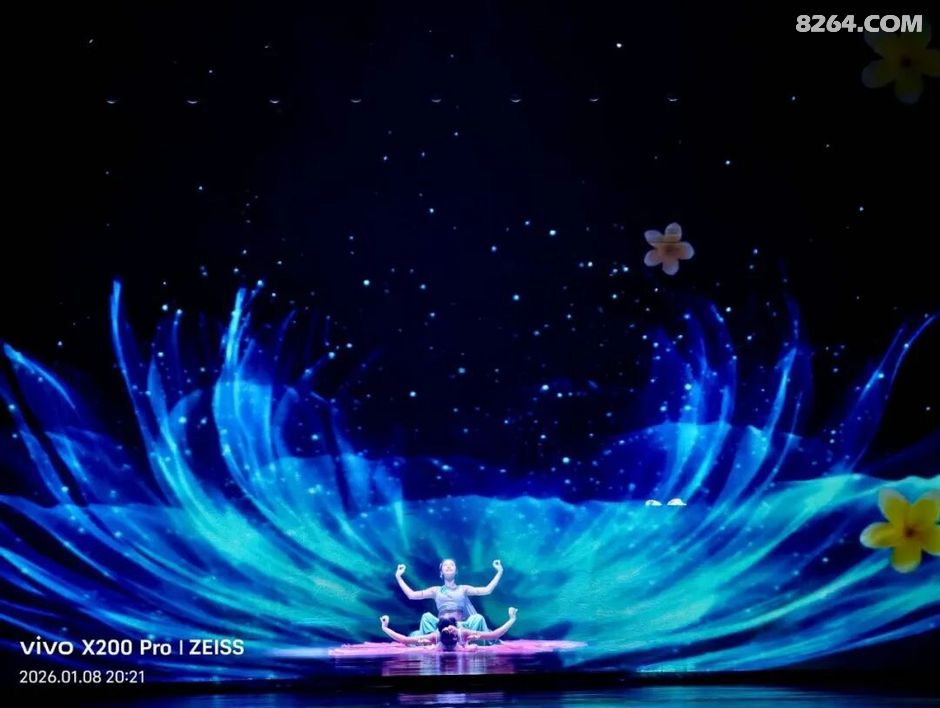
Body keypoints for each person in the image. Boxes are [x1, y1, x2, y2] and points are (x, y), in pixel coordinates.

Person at [395, 558, 503, 636]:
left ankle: (465, 639)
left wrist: (499, 572)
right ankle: (433, 639)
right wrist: (398, 577)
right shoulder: (435, 590)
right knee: (426, 617)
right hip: (440, 627)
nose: (448, 566)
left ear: (456, 571)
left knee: (478, 618)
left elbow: (487, 590)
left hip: (460, 626)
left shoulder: (463, 589)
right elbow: (411, 595)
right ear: (441, 572)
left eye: (451, 565)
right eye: (445, 565)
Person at [379, 607, 518, 651]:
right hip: (438, 644)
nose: (450, 632)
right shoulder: (435, 637)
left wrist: (512, 619)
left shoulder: (463, 633)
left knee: (478, 621)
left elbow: (494, 635)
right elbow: (404, 640)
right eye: (448, 631)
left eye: (451, 630)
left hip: (465, 642)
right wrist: (384, 628)